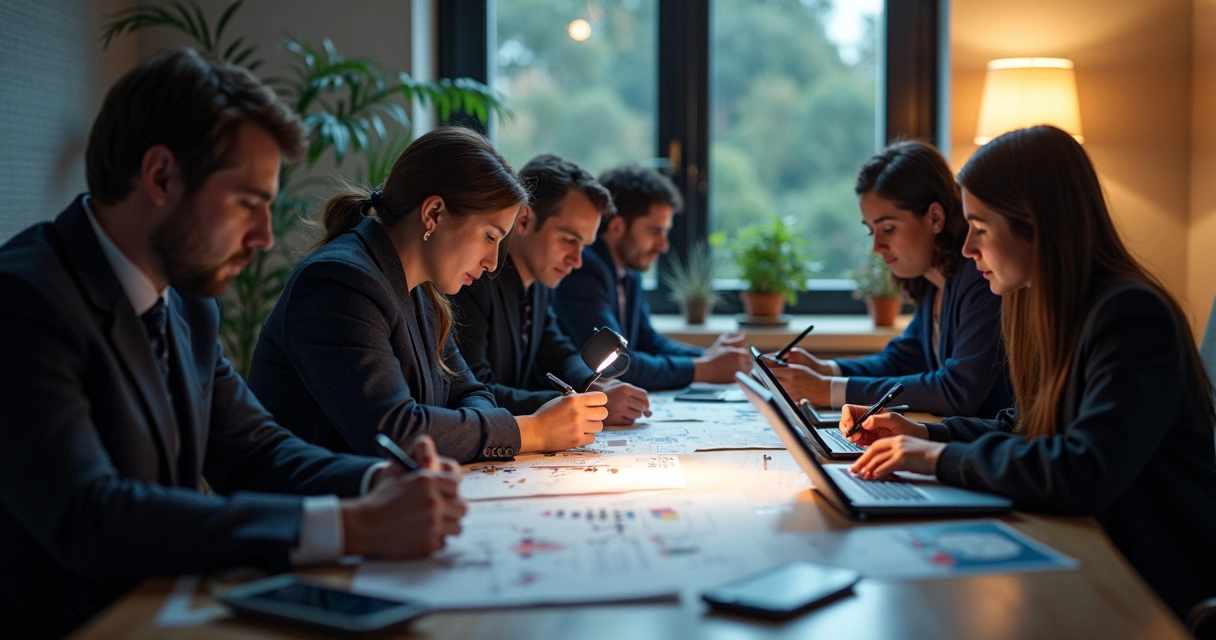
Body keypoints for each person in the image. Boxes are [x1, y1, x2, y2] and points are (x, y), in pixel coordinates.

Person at [0, 49, 467, 637]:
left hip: (168, 607)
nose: (266, 237)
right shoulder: (25, 299)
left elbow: (254, 450)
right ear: (161, 176)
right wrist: (351, 527)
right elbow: (92, 516)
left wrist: (380, 482)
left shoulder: (188, 303)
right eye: (248, 203)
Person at [841, 125, 1216, 619]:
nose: (968, 248)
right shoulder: (1052, 307)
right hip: (1088, 541)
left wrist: (935, 458)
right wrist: (924, 432)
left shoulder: (1132, 318)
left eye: (981, 227)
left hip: (1149, 580)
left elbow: (1082, 470)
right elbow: (1023, 422)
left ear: (1035, 224)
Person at [247, 128, 608, 464]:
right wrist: (534, 430)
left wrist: (457, 427)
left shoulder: (422, 290)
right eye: (489, 236)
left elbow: (472, 391)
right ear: (433, 213)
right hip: (311, 518)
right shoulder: (339, 282)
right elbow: (395, 432)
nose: (493, 262)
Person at [770, 141, 1013, 417]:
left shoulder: (981, 277)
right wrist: (825, 370)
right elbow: (903, 359)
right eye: (871, 230)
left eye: (888, 228)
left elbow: (956, 390)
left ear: (935, 217)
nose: (877, 246)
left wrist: (827, 389)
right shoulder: (936, 283)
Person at [450, 154, 651, 423]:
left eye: (584, 246)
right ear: (523, 220)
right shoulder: (472, 279)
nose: (577, 261)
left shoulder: (538, 280)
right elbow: (474, 391)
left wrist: (594, 387)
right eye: (569, 240)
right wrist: (581, 404)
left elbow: (554, 350)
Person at [554, 165, 750, 390]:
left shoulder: (629, 272)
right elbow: (615, 364)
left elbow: (649, 341)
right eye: (655, 231)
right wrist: (706, 368)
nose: (663, 246)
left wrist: (712, 357)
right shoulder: (583, 270)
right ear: (617, 227)